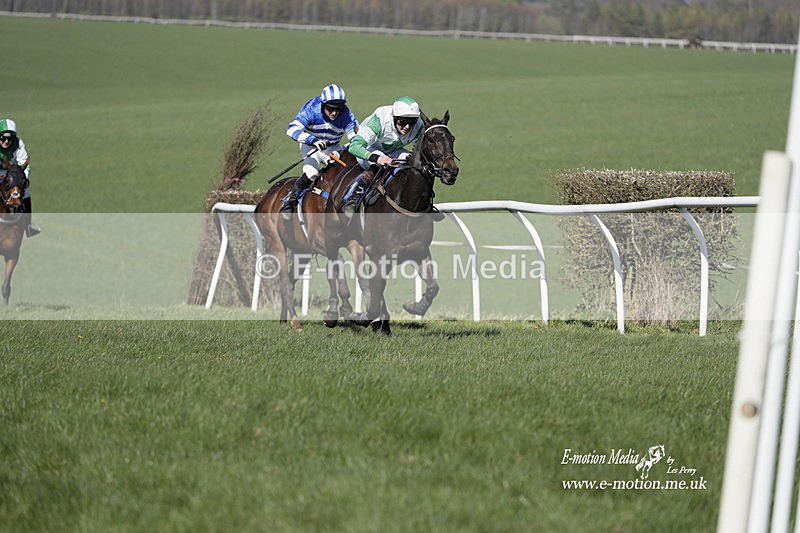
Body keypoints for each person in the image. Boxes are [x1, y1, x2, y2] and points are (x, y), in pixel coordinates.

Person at [280, 84, 359, 219]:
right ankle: (289, 201)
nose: (334, 113)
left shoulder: (346, 114)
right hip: (312, 146)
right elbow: (291, 129)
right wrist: (311, 140)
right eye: (330, 108)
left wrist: (347, 148)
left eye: (338, 109)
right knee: (311, 174)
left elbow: (355, 137)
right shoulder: (311, 109)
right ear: (323, 105)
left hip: (333, 147)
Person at [343, 96, 424, 219]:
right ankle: (353, 198)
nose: (407, 127)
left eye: (411, 122)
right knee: (380, 164)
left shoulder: (418, 126)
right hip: (369, 148)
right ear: (394, 117)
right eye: (403, 121)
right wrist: (377, 158)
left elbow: (418, 151)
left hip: (394, 150)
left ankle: (421, 203)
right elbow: (354, 147)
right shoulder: (380, 120)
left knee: (413, 163)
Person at [0, 118, 40, 237]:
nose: (6, 141)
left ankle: (28, 226)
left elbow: (24, 164)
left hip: (12, 174)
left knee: (26, 192)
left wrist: (21, 180)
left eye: (10, 138)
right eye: (3, 138)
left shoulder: (19, 144)